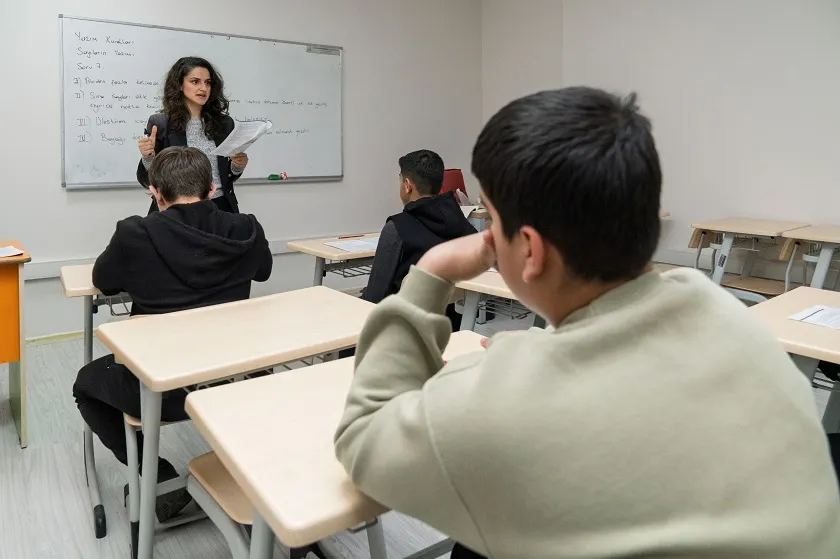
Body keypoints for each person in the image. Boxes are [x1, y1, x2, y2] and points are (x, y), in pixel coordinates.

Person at [334, 87, 840, 558]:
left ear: (528, 249)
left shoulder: (498, 404)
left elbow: (362, 441)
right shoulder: (734, 318)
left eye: (489, 218)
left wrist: (430, 273)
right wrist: (554, 352)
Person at [74, 146, 272, 521]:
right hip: (236, 380)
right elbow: (262, 271)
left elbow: (103, 280)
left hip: (161, 391)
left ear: (156, 193)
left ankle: (159, 477)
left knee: (86, 384)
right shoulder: (245, 228)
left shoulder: (135, 233)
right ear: (213, 188)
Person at [362, 149, 476, 325]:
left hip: (401, 335)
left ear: (407, 185)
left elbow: (375, 298)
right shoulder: (465, 227)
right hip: (451, 330)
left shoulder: (396, 229)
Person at [137, 56, 248, 214]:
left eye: (208, 82)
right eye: (195, 81)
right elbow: (148, 179)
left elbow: (226, 177)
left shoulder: (224, 124)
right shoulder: (161, 123)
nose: (203, 88)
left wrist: (237, 167)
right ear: (180, 85)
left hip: (220, 207)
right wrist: (148, 157)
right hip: (176, 209)